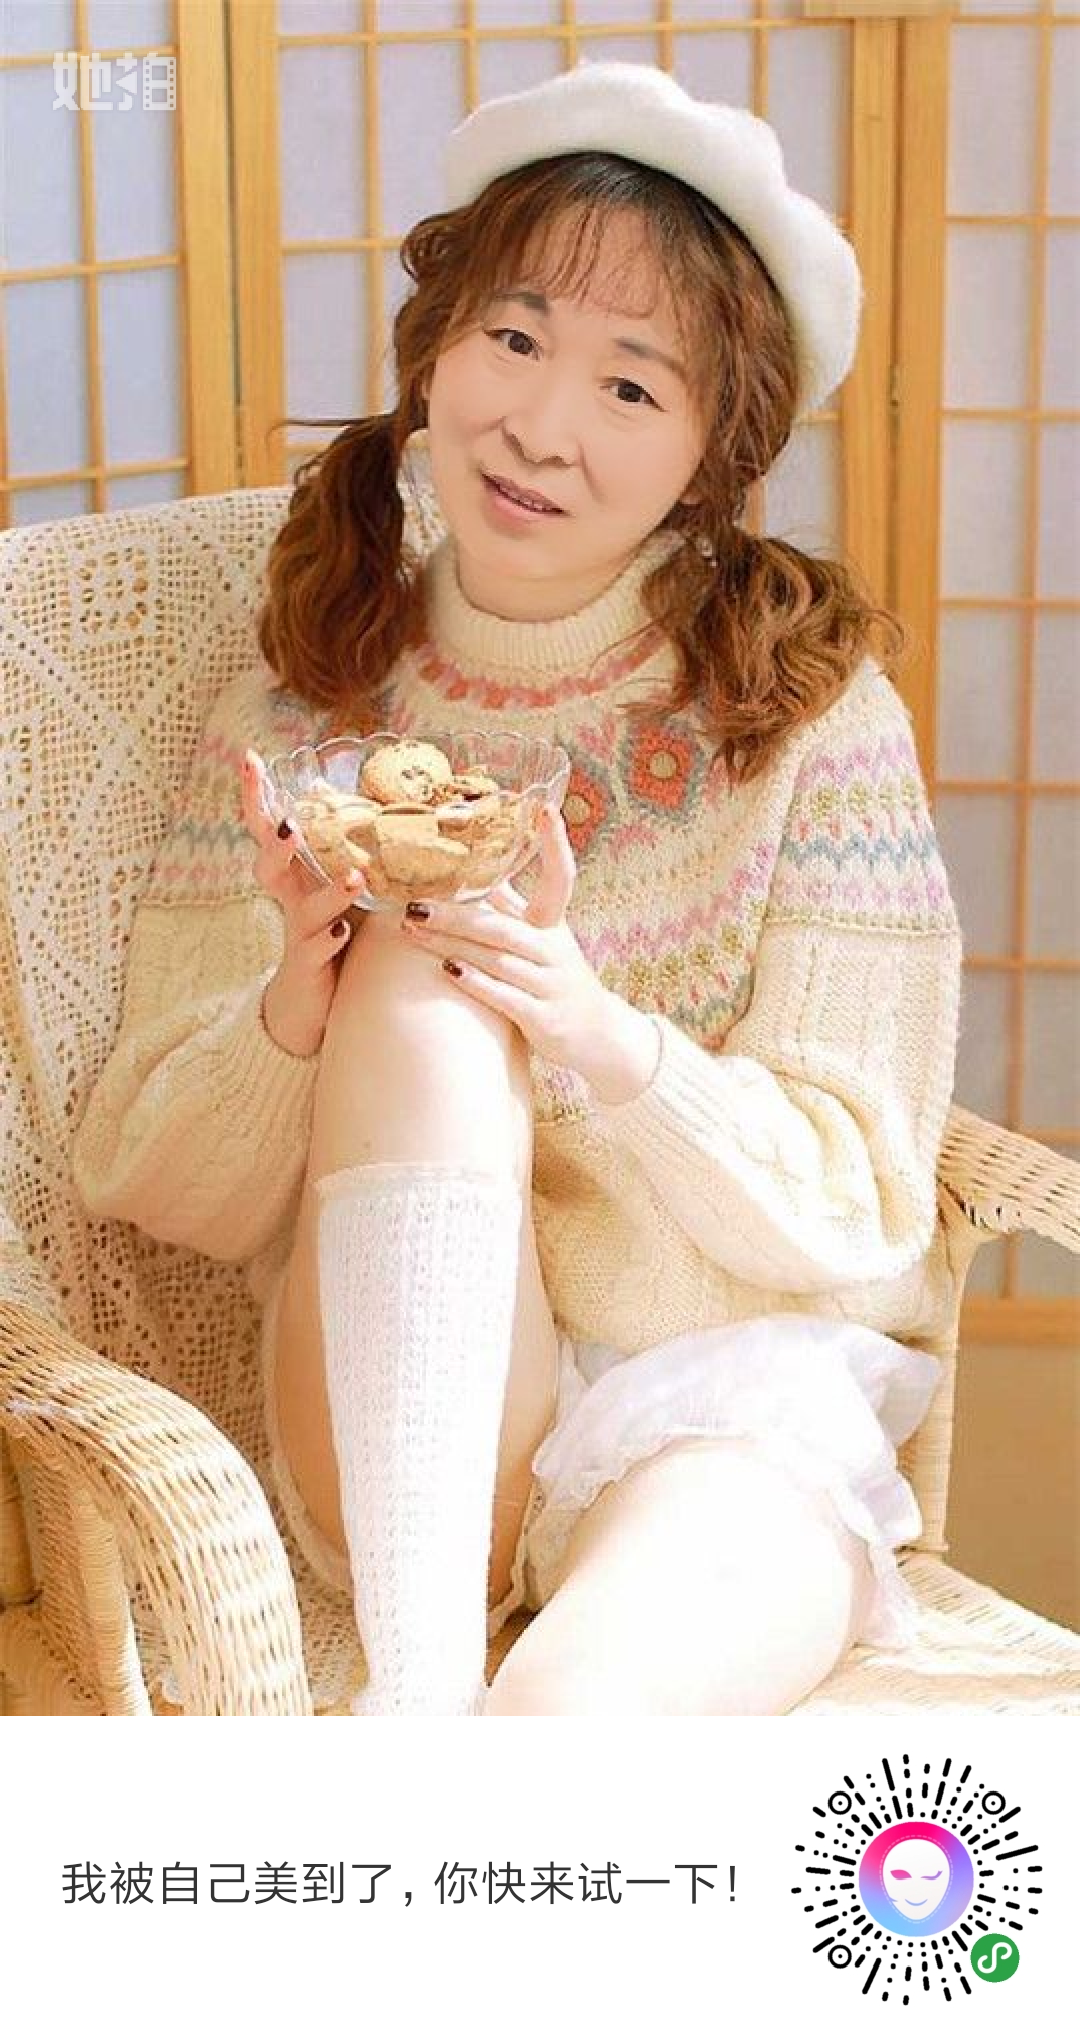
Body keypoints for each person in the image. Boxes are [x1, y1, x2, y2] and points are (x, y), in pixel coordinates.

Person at [71, 60, 965, 1717]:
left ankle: (426, 1767)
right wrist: (300, 1003)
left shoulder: (806, 717)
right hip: (406, 1430)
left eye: (631, 386)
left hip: (724, 1410)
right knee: (420, 969)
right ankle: (420, 1678)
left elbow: (861, 1201)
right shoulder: (304, 709)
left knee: (560, 1738)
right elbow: (151, 1171)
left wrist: (595, 1031)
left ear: (713, 451)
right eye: (515, 336)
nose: (542, 426)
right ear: (437, 348)